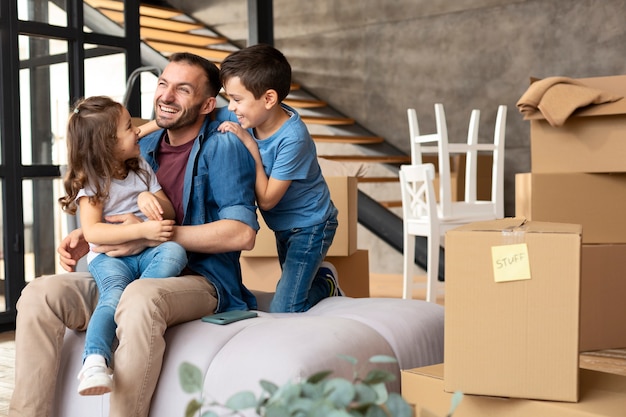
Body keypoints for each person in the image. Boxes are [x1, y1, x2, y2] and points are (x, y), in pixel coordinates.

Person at [9, 52, 259, 417]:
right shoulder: (139, 145)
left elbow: (241, 235)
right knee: (38, 294)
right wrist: (90, 234)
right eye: (162, 84)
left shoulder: (221, 146)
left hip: (199, 279)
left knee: (141, 298)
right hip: (127, 268)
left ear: (207, 103)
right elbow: (110, 199)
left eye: (183, 90)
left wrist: (150, 236)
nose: (167, 96)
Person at [59, 96, 188, 396]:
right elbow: (92, 231)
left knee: (174, 251)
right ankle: (94, 360)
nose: (137, 131)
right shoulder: (94, 179)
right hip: (111, 258)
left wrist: (149, 200)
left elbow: (168, 211)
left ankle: (138, 303)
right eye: (129, 127)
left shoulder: (140, 166)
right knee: (113, 295)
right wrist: (143, 228)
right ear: (107, 143)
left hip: (146, 251)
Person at [216, 43, 343, 313]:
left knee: (285, 308)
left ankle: (326, 283)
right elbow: (200, 111)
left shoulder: (292, 138)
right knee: (294, 291)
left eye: (237, 99)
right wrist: (149, 128)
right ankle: (316, 282)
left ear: (269, 99)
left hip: (311, 227)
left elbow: (268, 199)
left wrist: (250, 148)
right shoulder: (250, 117)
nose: (230, 108)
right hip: (284, 227)